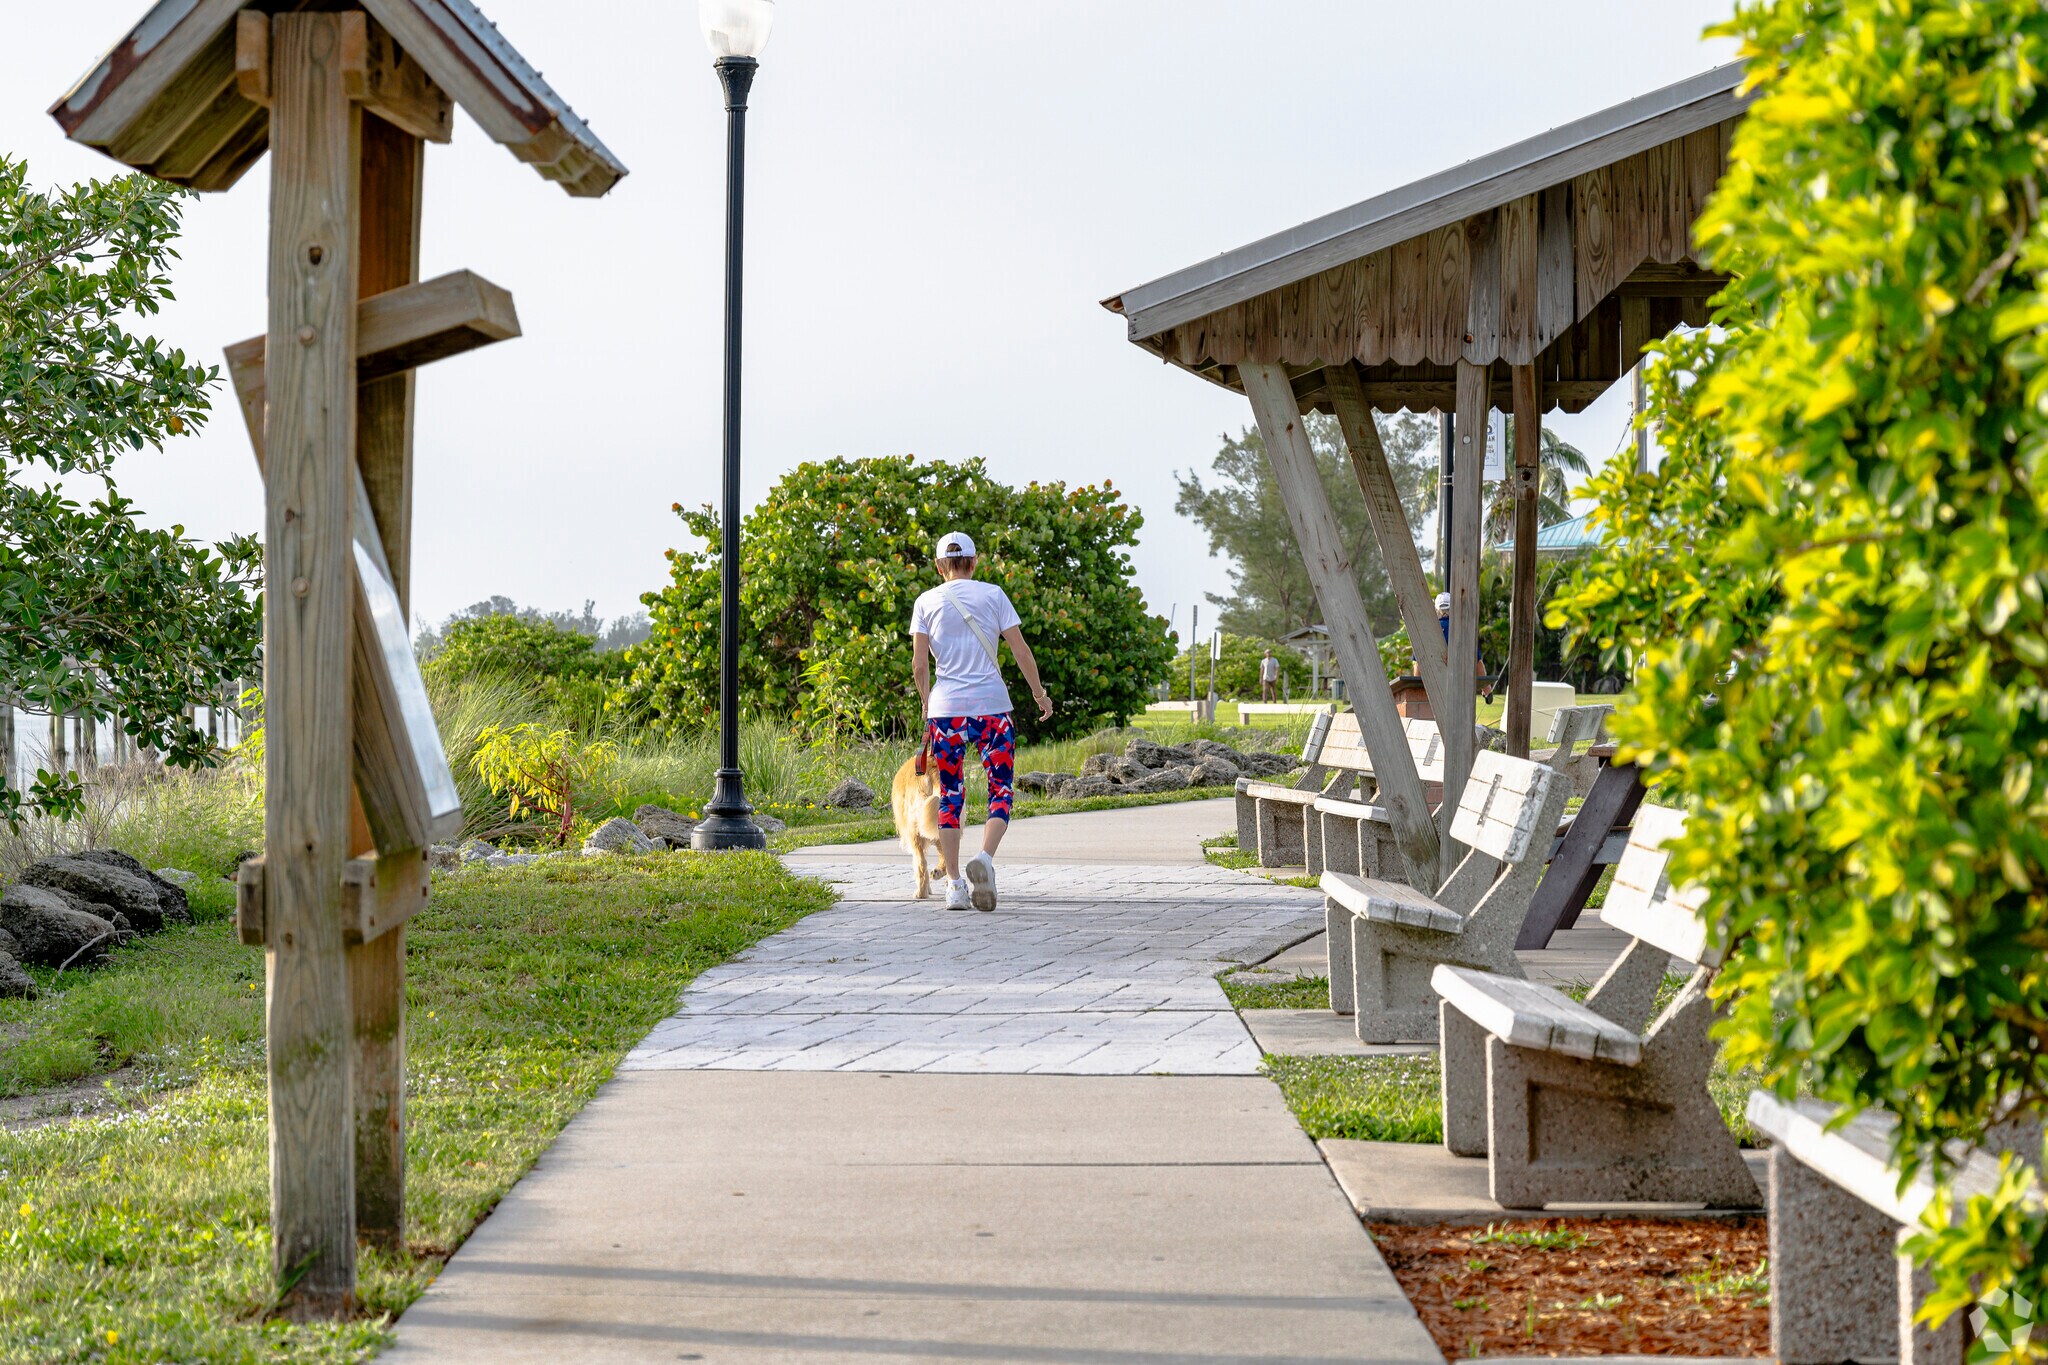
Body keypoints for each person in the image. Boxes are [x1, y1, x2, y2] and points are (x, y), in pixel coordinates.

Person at [910, 531, 1053, 912]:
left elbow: (920, 664)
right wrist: (1040, 695)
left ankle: (954, 884)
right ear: (974, 563)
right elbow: (1021, 650)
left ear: (940, 567)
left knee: (951, 794)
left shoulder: (926, 601)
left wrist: (926, 703)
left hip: (946, 712)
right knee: (1001, 790)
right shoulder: (993, 595)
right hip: (993, 709)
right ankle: (985, 859)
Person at [1434, 591, 1495, 701]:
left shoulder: (1428, 630)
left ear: (1436, 610)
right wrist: (1487, 690)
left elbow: (1418, 664)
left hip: (1435, 689)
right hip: (1460, 690)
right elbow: (1477, 662)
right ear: (1454, 609)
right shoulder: (1464, 631)